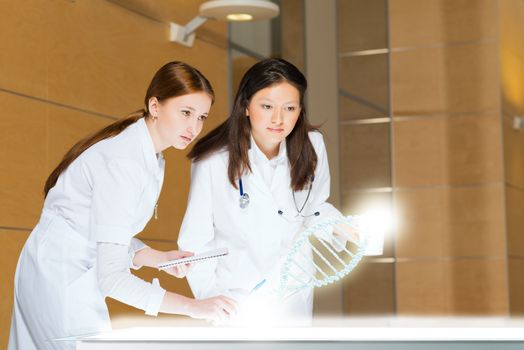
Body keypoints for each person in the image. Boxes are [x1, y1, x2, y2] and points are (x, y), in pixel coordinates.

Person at [8, 61, 237, 350]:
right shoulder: (124, 161)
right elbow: (113, 279)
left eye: (201, 117)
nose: (194, 127)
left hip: (69, 271)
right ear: (155, 106)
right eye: (185, 113)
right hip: (59, 275)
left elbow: (104, 232)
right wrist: (194, 307)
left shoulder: (149, 155)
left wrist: (155, 257)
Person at [178, 58, 351, 326]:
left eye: (289, 108)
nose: (278, 119)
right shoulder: (213, 160)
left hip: (292, 296)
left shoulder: (311, 146)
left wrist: (344, 229)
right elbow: (196, 239)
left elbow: (314, 208)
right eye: (267, 106)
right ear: (246, 106)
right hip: (237, 300)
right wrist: (211, 298)